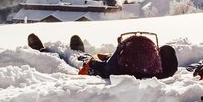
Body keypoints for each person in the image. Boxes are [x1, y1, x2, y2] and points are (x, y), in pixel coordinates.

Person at [28, 32, 179, 79]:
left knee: (81, 61)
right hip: (115, 64)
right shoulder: (157, 71)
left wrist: (94, 63)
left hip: (104, 66)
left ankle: (45, 53)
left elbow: (99, 66)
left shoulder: (113, 70)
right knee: (92, 58)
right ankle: (77, 53)